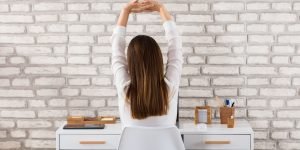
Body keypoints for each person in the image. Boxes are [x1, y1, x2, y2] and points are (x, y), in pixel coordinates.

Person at [111, 0, 183, 128]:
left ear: (130, 62)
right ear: (158, 59)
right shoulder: (170, 88)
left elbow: (116, 47)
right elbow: (175, 46)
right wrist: (161, 9)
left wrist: (125, 11)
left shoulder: (124, 89)